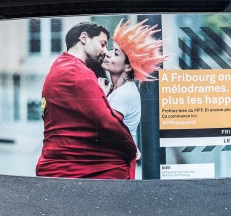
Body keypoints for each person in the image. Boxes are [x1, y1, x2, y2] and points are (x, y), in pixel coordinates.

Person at [36, 22, 137, 179]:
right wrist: (132, 148)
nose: (105, 51)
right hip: (74, 168)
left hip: (57, 164)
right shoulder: (78, 71)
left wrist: (99, 95)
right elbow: (106, 122)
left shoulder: (58, 66)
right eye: (102, 44)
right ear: (84, 38)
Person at [99, 19, 166, 179]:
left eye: (115, 53)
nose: (107, 53)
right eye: (111, 49)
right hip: (113, 164)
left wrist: (100, 96)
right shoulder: (118, 89)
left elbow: (104, 127)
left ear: (128, 66)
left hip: (116, 167)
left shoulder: (125, 94)